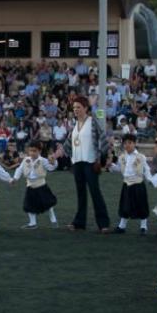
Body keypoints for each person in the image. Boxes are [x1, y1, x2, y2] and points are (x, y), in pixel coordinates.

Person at [63, 96, 110, 233]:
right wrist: (56, 154)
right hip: (77, 162)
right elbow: (68, 144)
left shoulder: (92, 122)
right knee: (80, 193)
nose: (76, 110)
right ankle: (79, 222)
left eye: (79, 107)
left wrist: (101, 158)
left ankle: (103, 223)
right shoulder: (74, 126)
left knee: (95, 192)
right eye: (74, 108)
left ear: (85, 108)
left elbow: (103, 140)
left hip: (90, 162)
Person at [110, 134, 153, 235]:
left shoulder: (141, 157)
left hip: (138, 184)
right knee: (125, 205)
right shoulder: (122, 157)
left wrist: (150, 179)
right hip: (126, 184)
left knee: (141, 205)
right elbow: (118, 168)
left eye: (130, 143)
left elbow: (146, 169)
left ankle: (143, 227)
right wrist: (111, 165)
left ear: (135, 143)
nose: (127, 145)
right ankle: (122, 226)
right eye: (125, 143)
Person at [14, 140, 59, 229]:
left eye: (35, 151)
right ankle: (32, 223)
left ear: (40, 151)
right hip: (30, 186)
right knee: (29, 205)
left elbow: (51, 168)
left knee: (48, 204)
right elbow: (19, 169)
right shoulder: (26, 160)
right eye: (30, 150)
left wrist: (54, 162)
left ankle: (53, 219)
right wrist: (15, 178)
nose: (32, 153)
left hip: (41, 186)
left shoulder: (43, 161)